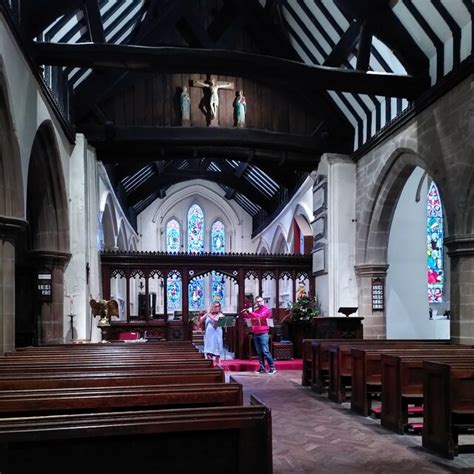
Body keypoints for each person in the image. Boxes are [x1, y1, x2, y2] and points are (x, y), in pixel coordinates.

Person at [244, 296, 276, 374]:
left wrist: (250, 312)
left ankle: (272, 367)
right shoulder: (257, 310)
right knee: (259, 351)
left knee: (265, 351)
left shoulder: (266, 310)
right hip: (256, 333)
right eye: (257, 301)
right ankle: (262, 367)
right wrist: (246, 313)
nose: (259, 303)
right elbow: (250, 318)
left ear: (263, 301)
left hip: (263, 333)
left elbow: (260, 316)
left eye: (260, 301)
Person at [200, 301, 224, 366]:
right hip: (209, 334)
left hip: (217, 333)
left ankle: (217, 364)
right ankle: (209, 365)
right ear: (212, 307)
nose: (217, 308)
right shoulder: (209, 314)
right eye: (215, 306)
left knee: (217, 348)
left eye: (218, 306)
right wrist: (205, 314)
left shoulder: (220, 315)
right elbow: (201, 320)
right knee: (209, 348)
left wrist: (209, 315)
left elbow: (215, 323)